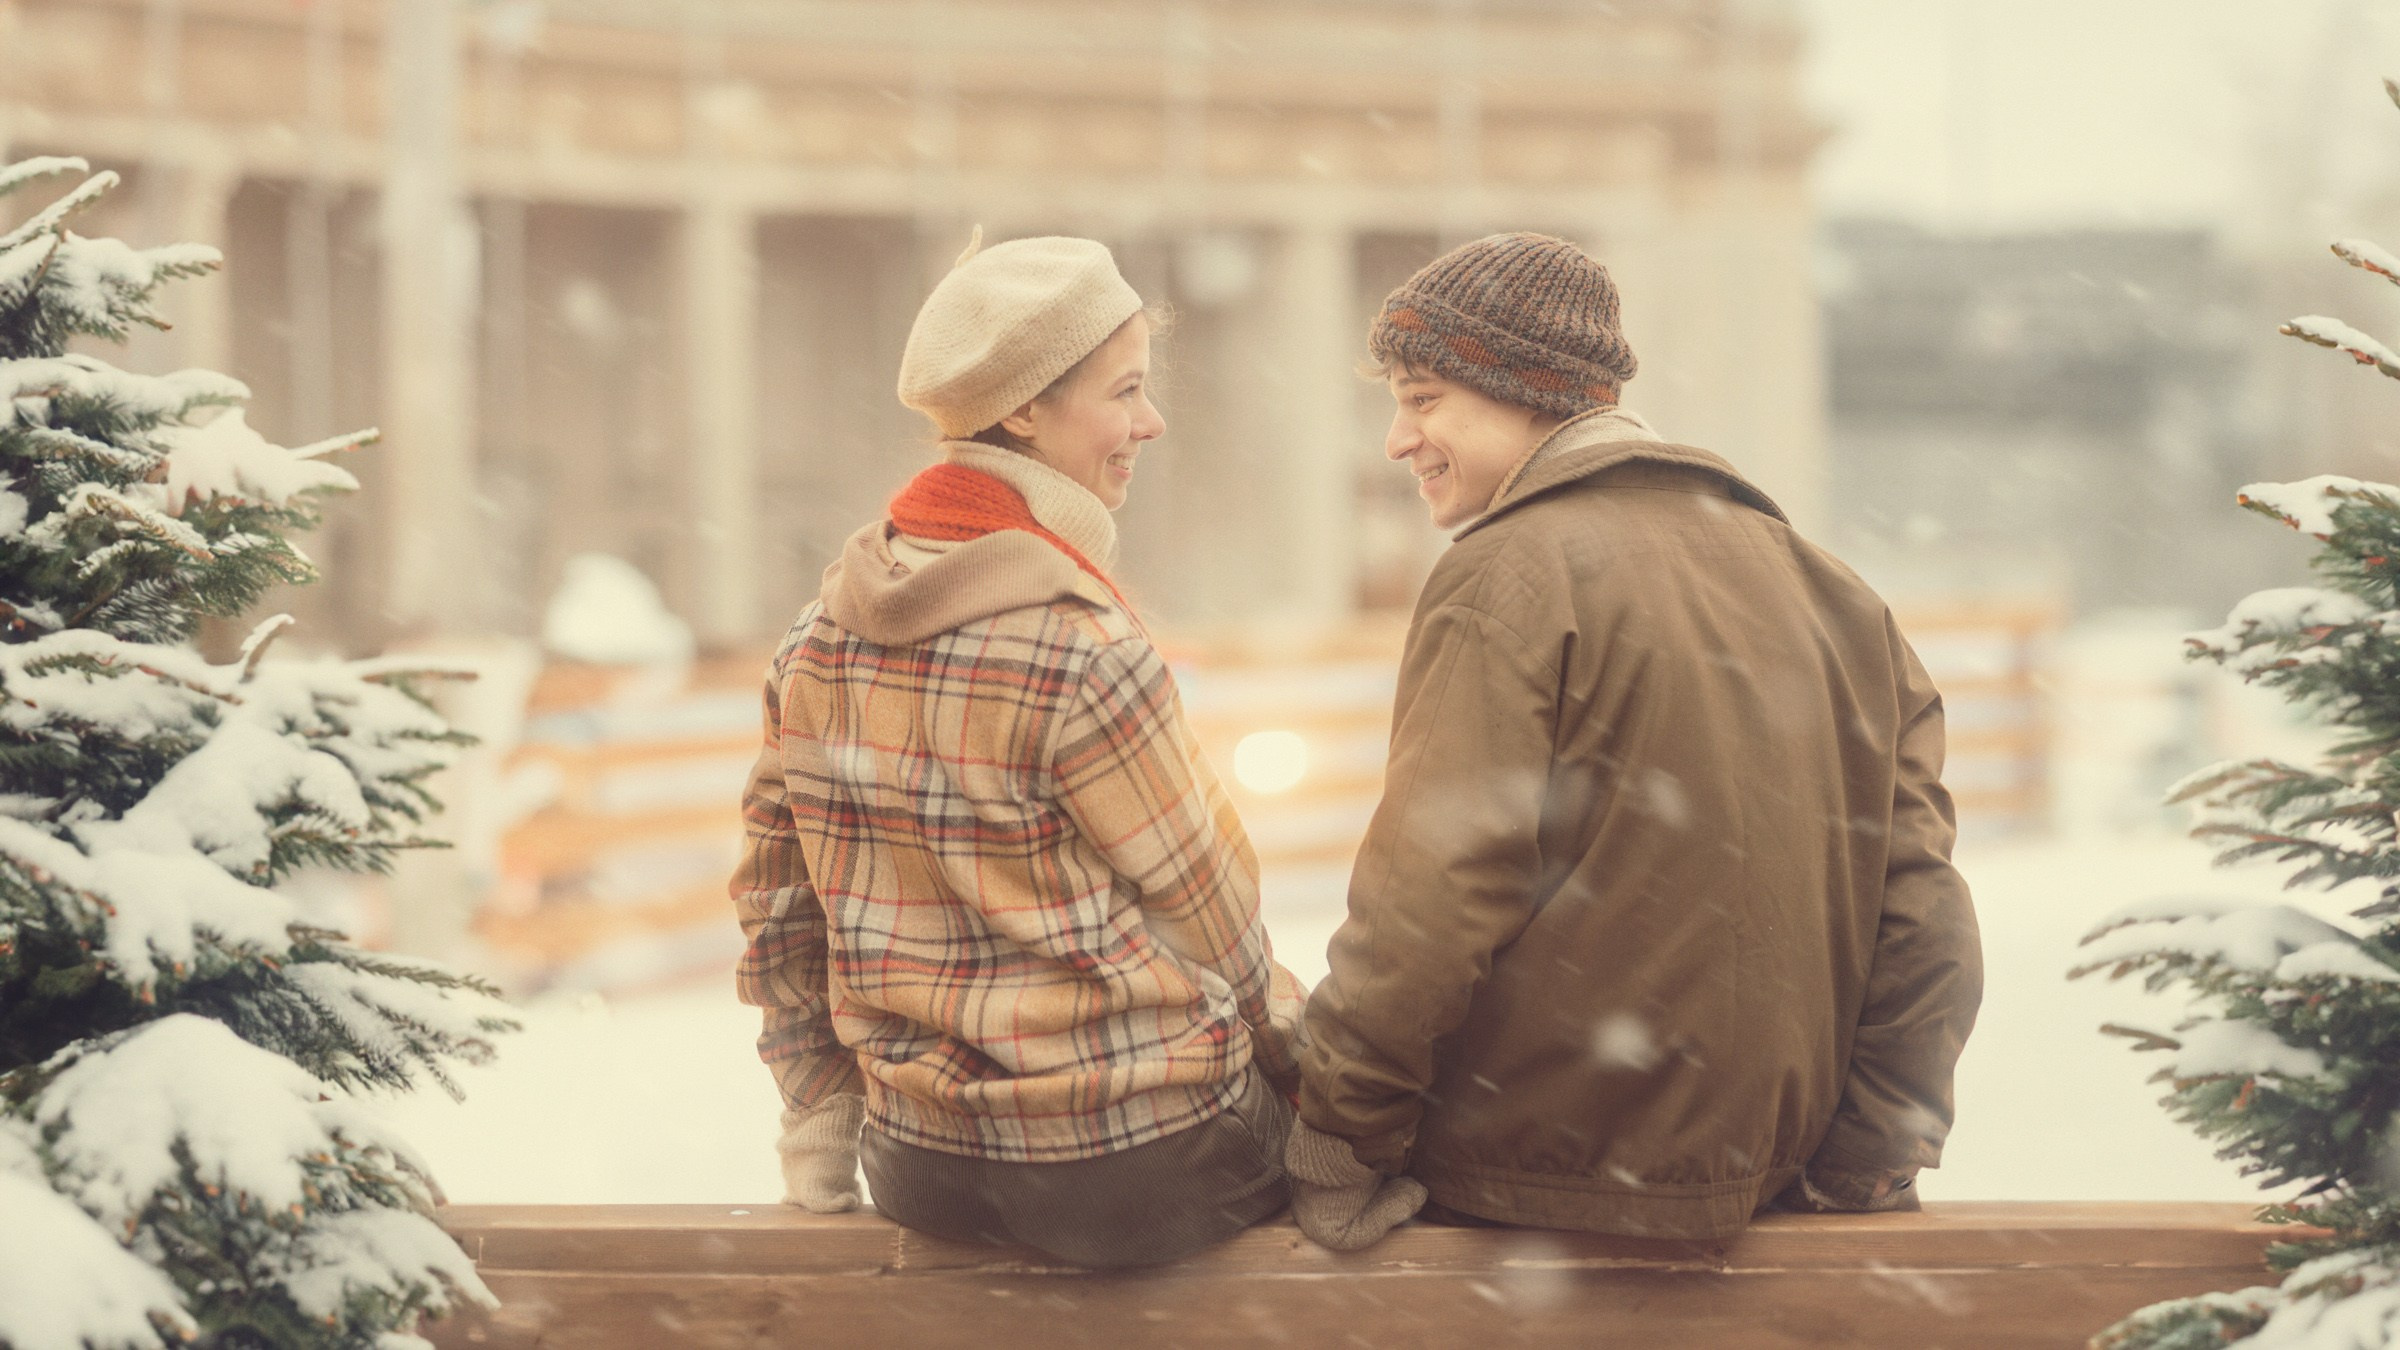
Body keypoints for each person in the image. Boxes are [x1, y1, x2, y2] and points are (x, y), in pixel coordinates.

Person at [1284, 233, 1984, 1251]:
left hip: (1533, 1184)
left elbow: (1433, 892)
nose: (1397, 438)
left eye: (1424, 397)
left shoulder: (1511, 573)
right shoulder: (1831, 591)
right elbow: (1920, 911)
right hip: (1769, 1183)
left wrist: (1344, 1130)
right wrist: (1870, 1155)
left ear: (1525, 390)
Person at [730, 233, 1305, 1268]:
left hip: (921, 1166)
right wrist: (1307, 1084)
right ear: (1026, 411)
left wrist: (816, 1106)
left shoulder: (816, 637)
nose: (1151, 422)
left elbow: (778, 904)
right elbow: (1213, 920)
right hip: (1135, 1164)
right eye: (1125, 392)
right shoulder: (1084, 647)